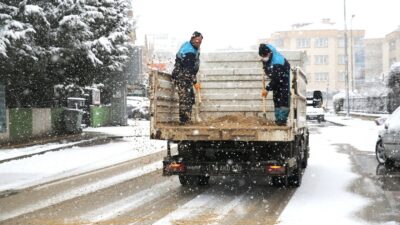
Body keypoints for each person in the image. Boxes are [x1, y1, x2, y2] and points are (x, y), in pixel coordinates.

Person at [171, 31, 203, 124]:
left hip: (184, 76)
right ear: (192, 39)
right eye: (197, 40)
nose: (198, 43)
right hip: (182, 76)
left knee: (191, 97)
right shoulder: (189, 51)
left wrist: (193, 80)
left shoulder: (190, 45)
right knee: (185, 99)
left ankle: (187, 119)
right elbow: (188, 70)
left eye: (200, 42)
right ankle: (184, 121)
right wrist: (195, 81)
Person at [259, 43, 291, 126]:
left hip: (284, 82)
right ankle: (278, 120)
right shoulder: (267, 57)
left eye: (264, 56)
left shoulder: (278, 61)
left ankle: (282, 120)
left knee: (283, 100)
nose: (263, 58)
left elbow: (277, 78)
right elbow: (269, 71)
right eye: (262, 56)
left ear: (269, 53)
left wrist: (267, 89)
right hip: (276, 81)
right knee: (276, 99)